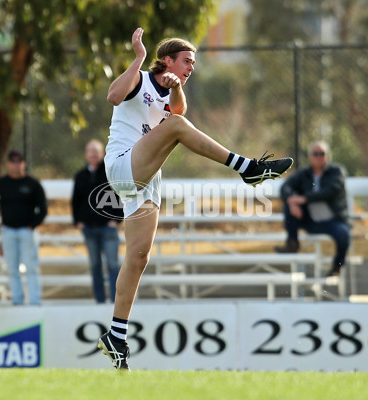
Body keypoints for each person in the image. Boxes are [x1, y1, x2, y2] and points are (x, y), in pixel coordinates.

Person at [97, 27, 293, 370]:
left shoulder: (172, 89)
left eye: (194, 62)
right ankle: (247, 168)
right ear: (167, 59)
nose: (192, 67)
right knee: (175, 127)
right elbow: (114, 97)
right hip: (123, 167)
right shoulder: (141, 78)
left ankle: (116, 335)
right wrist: (139, 57)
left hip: (146, 179)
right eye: (187, 61)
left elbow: (178, 111)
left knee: (138, 257)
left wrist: (176, 87)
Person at [0, 149, 47, 306]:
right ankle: (17, 300)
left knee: (31, 267)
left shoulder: (33, 184)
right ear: (7, 164)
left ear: (24, 163)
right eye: (12, 161)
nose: (16, 165)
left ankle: (35, 301)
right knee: (12, 268)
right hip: (8, 230)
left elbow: (43, 209)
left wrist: (32, 225)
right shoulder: (2, 183)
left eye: (19, 161)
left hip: (27, 231)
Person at [275, 141, 351, 278]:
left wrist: (304, 199)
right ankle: (292, 242)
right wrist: (291, 201)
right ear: (310, 157)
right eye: (315, 154)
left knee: (343, 234)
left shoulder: (336, 172)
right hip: (311, 222)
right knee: (289, 203)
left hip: (333, 221)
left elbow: (330, 191)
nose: (319, 157)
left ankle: (337, 266)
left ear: (328, 156)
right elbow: (285, 187)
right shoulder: (304, 174)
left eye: (322, 153)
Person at [72, 139, 123, 304]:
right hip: (89, 229)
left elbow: (122, 195)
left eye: (96, 151)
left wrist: (116, 219)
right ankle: (100, 301)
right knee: (95, 265)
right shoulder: (80, 176)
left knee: (113, 265)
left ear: (102, 154)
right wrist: (78, 221)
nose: (93, 154)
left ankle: (117, 302)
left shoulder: (110, 172)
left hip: (108, 229)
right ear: (86, 154)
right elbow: (76, 200)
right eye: (90, 151)